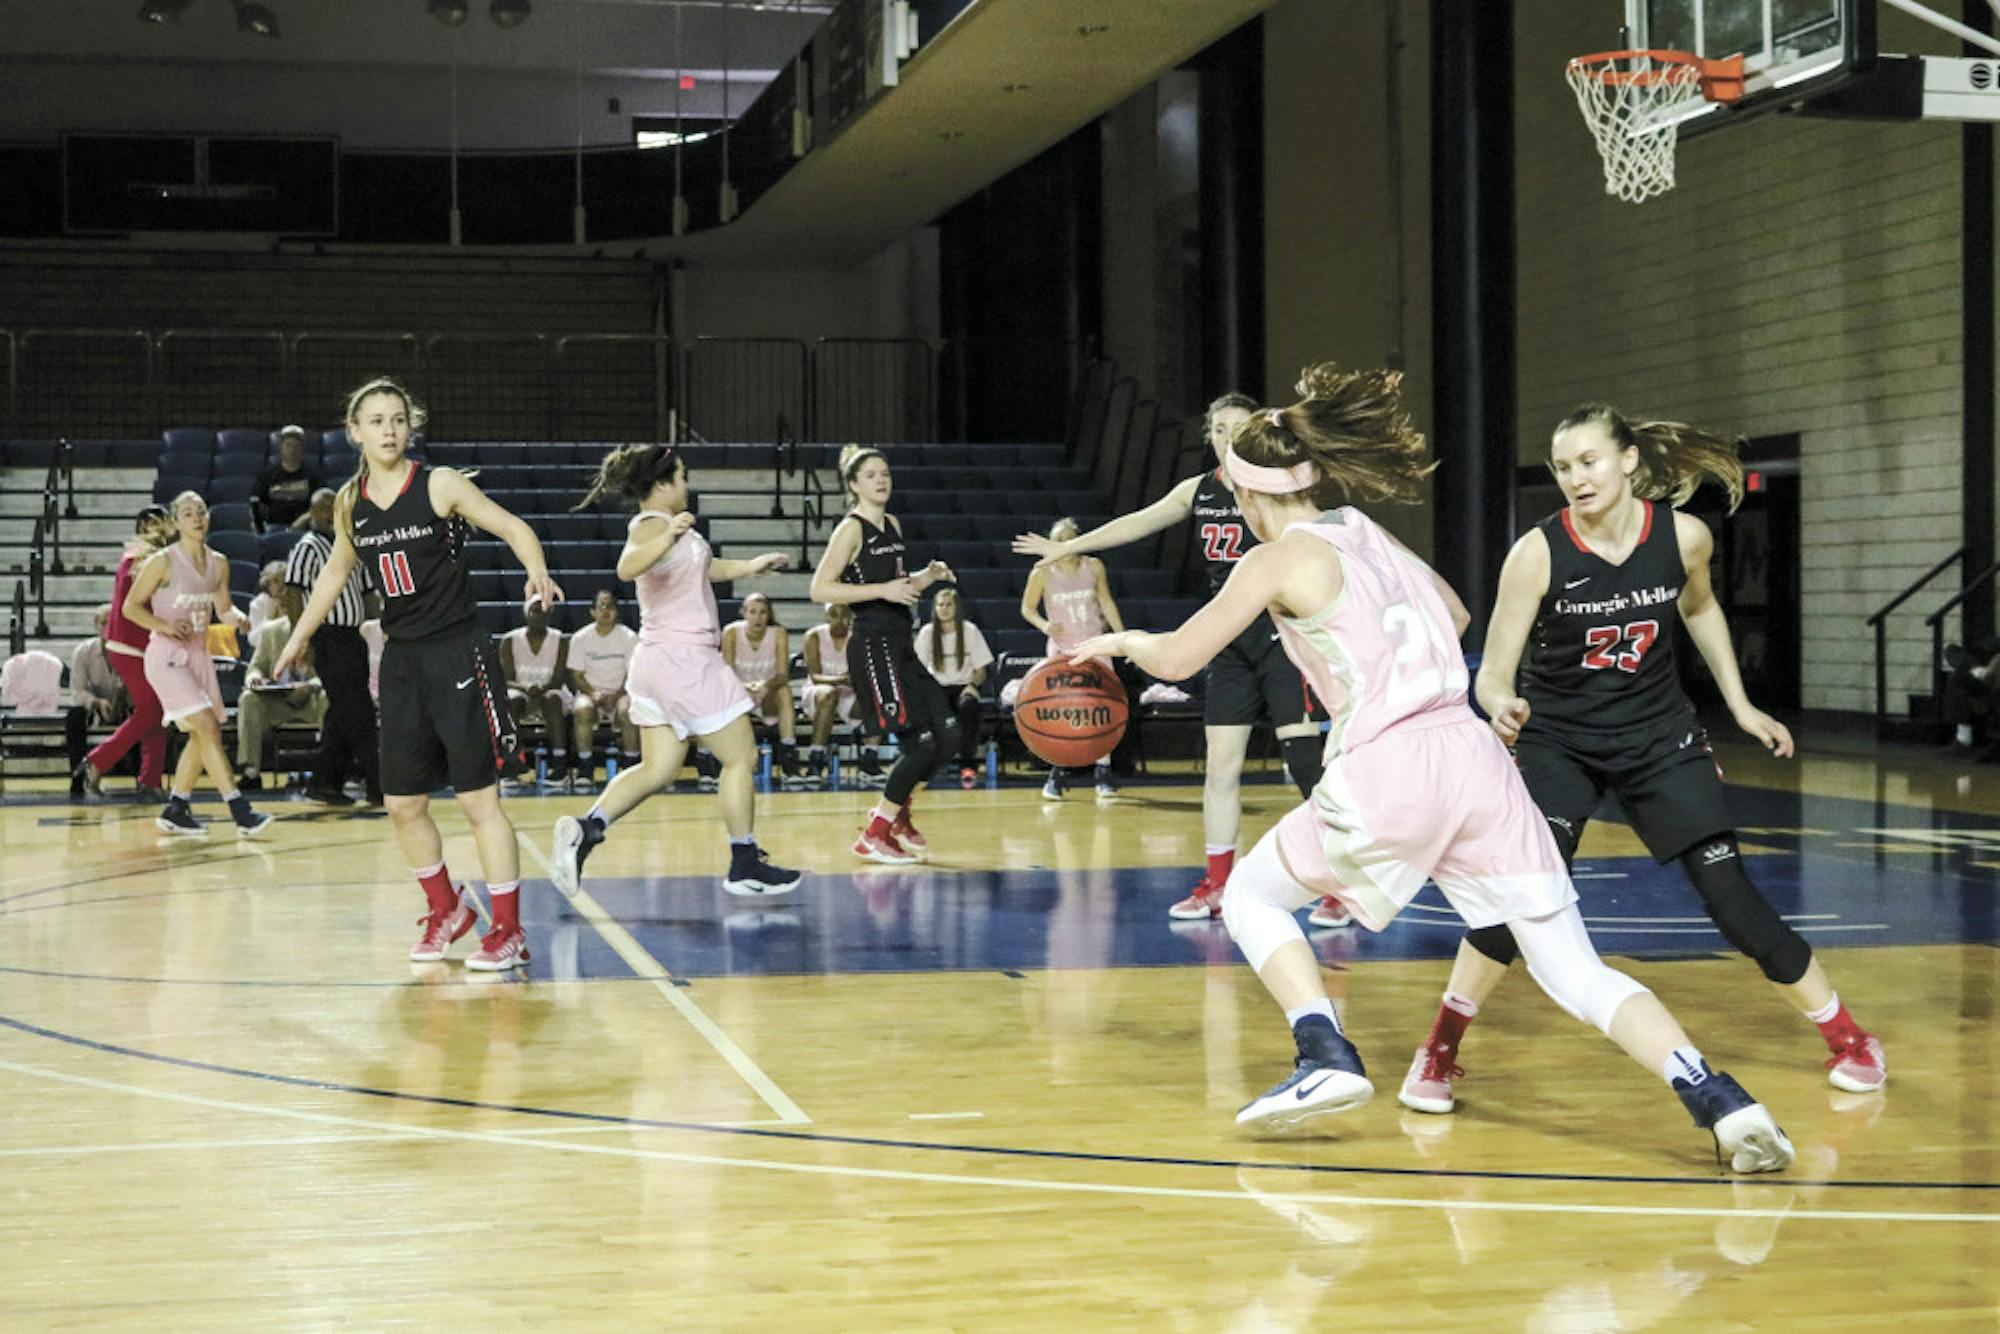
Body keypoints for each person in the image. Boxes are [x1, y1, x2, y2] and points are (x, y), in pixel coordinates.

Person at [1068, 364, 1795, 1173]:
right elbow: (1451, 614)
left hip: (1395, 762)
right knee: (1575, 970)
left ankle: (1324, 1054)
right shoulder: (1362, 530)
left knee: (1250, 896)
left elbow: (1179, 654)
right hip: (1475, 755)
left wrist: (1120, 643)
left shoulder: (1271, 561)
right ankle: (1722, 1101)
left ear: (1246, 495)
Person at [1398, 402, 1886, 1115]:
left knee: (1732, 898)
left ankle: (1850, 1036)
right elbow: (1493, 671)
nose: (1575, 478)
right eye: (1563, 468)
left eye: (1588, 461)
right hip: (1559, 742)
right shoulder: (1536, 553)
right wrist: (1500, 702)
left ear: (1628, 461)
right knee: (1520, 899)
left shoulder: (1684, 537)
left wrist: (1742, 705)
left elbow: (1700, 608)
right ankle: (1439, 1048)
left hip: (1660, 739)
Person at [1016, 393, 1344, 926]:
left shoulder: (1280, 490)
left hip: (1282, 631)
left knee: (1305, 761)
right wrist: (1064, 551)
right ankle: (1218, 884)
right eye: (1218, 428)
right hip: (1228, 637)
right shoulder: (1200, 490)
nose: (1228, 436)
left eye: (1239, 427)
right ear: (1209, 436)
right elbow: (1138, 522)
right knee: (1220, 767)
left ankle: (1337, 882)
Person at [275, 377, 561, 971]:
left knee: (479, 801)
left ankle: (508, 931)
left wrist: (535, 569)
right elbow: (334, 574)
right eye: (376, 420)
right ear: (355, 432)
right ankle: (448, 910)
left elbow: (512, 527)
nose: (388, 429)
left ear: (410, 427)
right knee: (402, 803)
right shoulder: (352, 501)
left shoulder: (439, 484)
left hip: (457, 652)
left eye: (398, 419)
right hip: (401, 659)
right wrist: (298, 639)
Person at [549, 444, 801, 898]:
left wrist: (751, 566)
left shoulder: (672, 530)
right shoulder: (653, 525)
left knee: (659, 768)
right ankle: (744, 861)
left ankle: (587, 829)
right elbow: (627, 567)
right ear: (663, 484)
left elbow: (703, 568)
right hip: (683, 660)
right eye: (682, 477)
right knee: (740, 758)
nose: (688, 485)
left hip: (656, 662)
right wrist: (668, 536)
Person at [808, 445, 957, 863]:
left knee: (948, 735)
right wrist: (882, 591)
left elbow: (898, 585)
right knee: (921, 744)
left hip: (901, 639)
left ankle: (898, 815)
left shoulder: (892, 523)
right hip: (872, 645)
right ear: (854, 485)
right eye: (871, 474)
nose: (881, 479)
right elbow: (820, 589)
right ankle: (875, 832)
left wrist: (926, 577)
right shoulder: (850, 530)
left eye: (885, 472)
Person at [122, 490, 271, 837]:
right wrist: (164, 625)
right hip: (166, 655)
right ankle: (239, 809)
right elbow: (132, 607)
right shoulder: (163, 561)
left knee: (199, 733)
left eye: (201, 511)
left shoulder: (219, 562)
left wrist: (240, 619)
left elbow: (223, 609)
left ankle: (177, 807)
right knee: (207, 726)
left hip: (199, 655)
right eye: (187, 513)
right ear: (176, 521)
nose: (196, 518)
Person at [283, 487, 380, 806]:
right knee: (359, 710)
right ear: (312, 514)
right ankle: (378, 785)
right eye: (323, 509)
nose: (329, 514)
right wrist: (303, 638)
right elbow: (293, 594)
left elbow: (368, 594)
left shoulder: (351, 546)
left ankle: (325, 782)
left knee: (344, 711)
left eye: (333, 509)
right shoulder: (307, 547)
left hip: (354, 636)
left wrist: (385, 621)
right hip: (327, 636)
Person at [1020, 516, 1125, 800]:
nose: (1067, 542)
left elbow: (1106, 602)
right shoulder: (1042, 571)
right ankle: (1057, 771)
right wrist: (1044, 625)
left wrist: (1122, 637)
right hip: (1062, 649)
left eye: (1071, 537)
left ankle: (1103, 771)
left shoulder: (1093, 566)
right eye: (1060, 538)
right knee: (1062, 711)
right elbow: (1027, 608)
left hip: (1096, 644)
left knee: (1102, 708)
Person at [79, 505, 174, 800]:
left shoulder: (139, 557)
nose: (159, 528)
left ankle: (150, 781)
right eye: (152, 523)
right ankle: (97, 761)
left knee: (155, 712)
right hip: (131, 644)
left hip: (137, 644)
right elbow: (137, 607)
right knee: (150, 711)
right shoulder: (140, 559)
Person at [720, 591, 806, 787]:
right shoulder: (731, 632)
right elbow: (726, 674)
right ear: (744, 613)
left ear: (769, 615)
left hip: (767, 694)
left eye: (762, 612)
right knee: (711, 694)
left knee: (783, 691)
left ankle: (788, 754)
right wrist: (745, 687)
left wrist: (765, 686)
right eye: (753, 612)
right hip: (738, 694)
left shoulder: (778, 633)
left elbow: (783, 674)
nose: (757, 617)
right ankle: (710, 758)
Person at [235, 608, 324, 790]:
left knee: (328, 698)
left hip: (311, 699)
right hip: (278, 700)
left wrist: (310, 685)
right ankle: (250, 771)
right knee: (248, 699)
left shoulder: (321, 628)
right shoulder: (272, 630)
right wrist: (255, 679)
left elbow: (332, 673)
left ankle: (327, 770)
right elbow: (255, 667)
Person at [916, 584, 994, 789]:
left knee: (969, 706)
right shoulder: (927, 633)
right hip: (937, 688)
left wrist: (973, 686)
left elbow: (981, 671)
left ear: (957, 607)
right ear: (935, 608)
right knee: (924, 710)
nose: (944, 608)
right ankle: (926, 765)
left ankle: (968, 765)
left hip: (963, 686)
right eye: (940, 605)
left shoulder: (970, 630)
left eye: (949, 604)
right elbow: (919, 671)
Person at [566, 589, 641, 794]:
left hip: (621, 692)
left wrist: (616, 695)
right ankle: (585, 768)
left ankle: (631, 766)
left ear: (617, 612)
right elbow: (577, 676)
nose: (606, 611)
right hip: (590, 692)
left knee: (628, 710)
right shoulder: (581, 638)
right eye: (602, 606)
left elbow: (632, 673)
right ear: (593, 612)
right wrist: (593, 693)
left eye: (611, 607)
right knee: (582, 709)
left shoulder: (628, 637)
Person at [500, 597, 571, 783]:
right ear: (526, 613)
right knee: (512, 702)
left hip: (551, 690)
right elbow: (506, 679)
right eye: (535, 610)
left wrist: (541, 688)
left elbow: (560, 678)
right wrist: (526, 688)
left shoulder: (561, 640)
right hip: (520, 690)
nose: (539, 615)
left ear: (550, 615)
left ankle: (560, 765)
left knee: (551, 700)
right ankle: (513, 764)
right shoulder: (509, 640)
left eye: (544, 611)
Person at [65, 605, 127, 795]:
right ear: (96, 626)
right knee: (74, 716)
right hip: (95, 706)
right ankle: (78, 778)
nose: (108, 627)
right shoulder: (83, 651)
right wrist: (97, 703)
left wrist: (121, 698)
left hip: (126, 704)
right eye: (103, 623)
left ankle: (144, 779)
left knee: (146, 713)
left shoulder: (129, 650)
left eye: (112, 622)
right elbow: (77, 691)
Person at [800, 602, 858, 786]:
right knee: (829, 694)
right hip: (819, 691)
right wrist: (841, 680)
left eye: (844, 615)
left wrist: (853, 681)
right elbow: (815, 676)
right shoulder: (814, 636)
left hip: (848, 691)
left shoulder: (858, 638)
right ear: (826, 616)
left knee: (874, 695)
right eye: (834, 614)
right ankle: (815, 758)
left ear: (851, 617)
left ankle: (869, 757)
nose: (839, 619)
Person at [254, 424, 324, 532]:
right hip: (273, 527)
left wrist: (303, 519)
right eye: (288, 445)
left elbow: (322, 502)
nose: (292, 450)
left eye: (296, 446)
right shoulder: (268, 475)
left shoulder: (312, 475)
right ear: (281, 448)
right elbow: (255, 502)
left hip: (304, 528)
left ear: (302, 448)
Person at [246, 561, 287, 643]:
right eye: (276, 581)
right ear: (267, 583)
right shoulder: (258, 604)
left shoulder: (296, 600)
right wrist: (268, 618)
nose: (281, 585)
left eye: (284, 580)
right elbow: (253, 640)